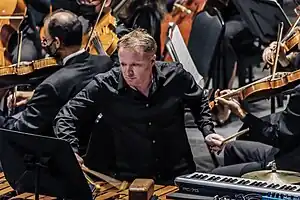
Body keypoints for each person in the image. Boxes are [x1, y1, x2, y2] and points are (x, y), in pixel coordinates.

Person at [54, 29, 224, 184]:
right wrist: (70, 149)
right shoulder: (105, 84)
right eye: (123, 64)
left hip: (177, 172)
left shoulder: (175, 76)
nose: (128, 72)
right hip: (131, 180)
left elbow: (198, 99)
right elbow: (67, 115)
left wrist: (207, 130)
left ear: (152, 61)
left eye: (135, 65)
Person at [2, 10, 112, 153]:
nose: (44, 44)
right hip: (93, 148)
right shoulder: (105, 62)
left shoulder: (52, 86)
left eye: (46, 40)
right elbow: (77, 93)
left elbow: (18, 134)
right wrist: (34, 96)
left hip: (55, 156)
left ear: (57, 42)